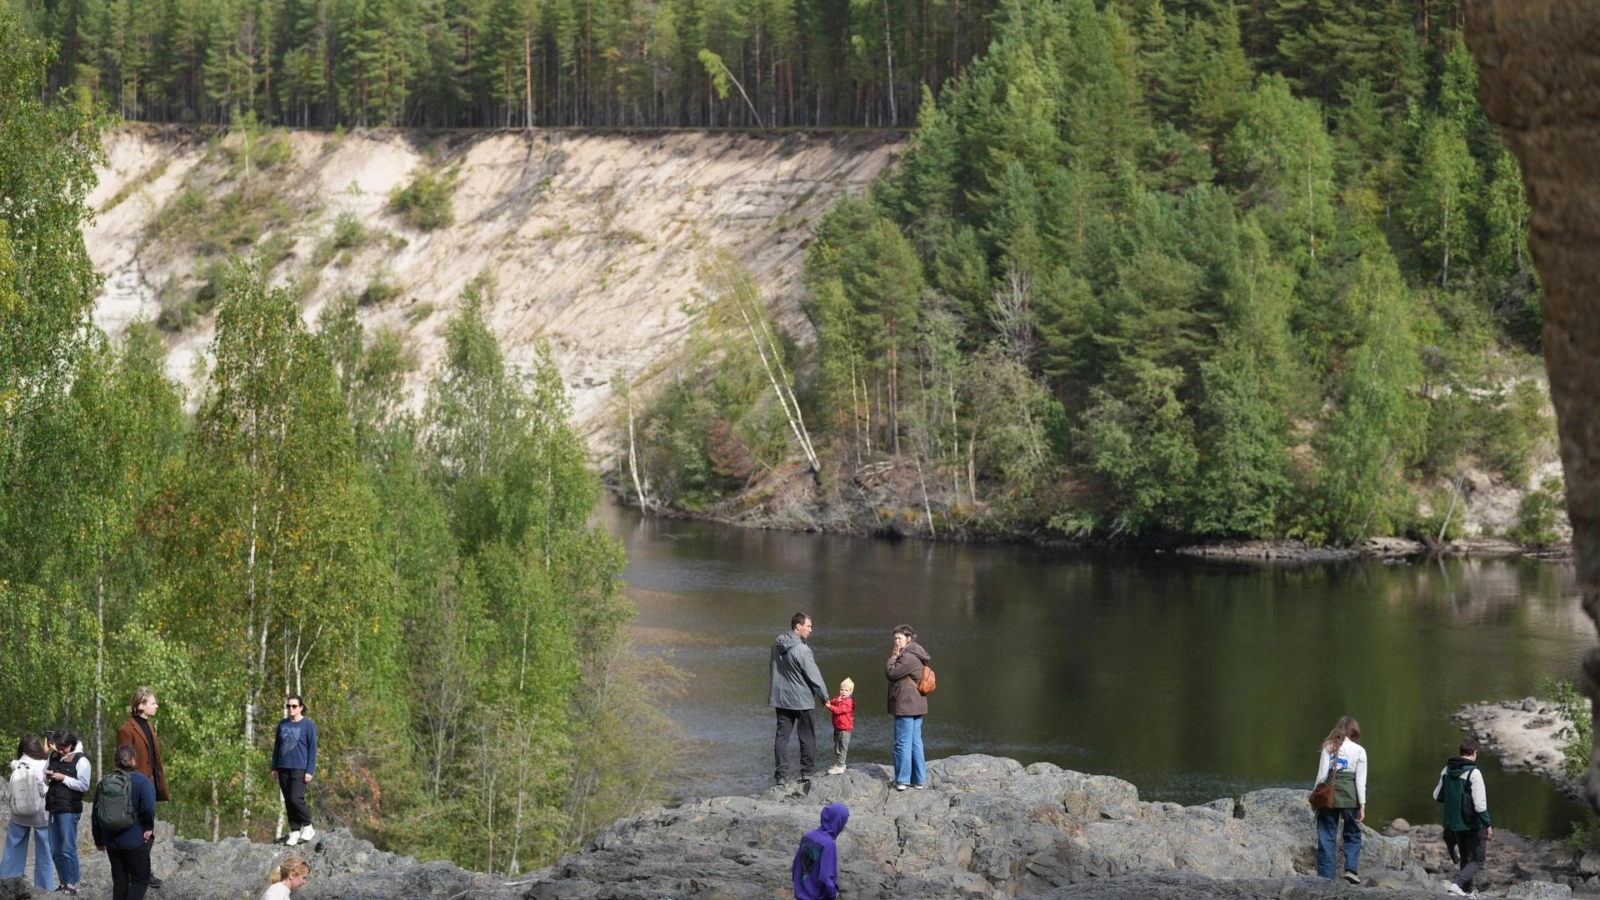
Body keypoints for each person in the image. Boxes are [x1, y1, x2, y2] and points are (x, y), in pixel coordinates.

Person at [115, 687, 169, 889]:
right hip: (135, 787)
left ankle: (141, 871)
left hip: (150, 785)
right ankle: (140, 873)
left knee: (147, 830)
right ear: (141, 705)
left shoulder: (149, 726)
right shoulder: (126, 730)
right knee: (141, 831)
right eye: (153, 703)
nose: (156, 705)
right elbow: (122, 762)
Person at [769, 612, 829, 786]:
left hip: (781, 699)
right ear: (798, 626)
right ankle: (807, 773)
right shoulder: (803, 650)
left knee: (781, 737)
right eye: (808, 626)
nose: (811, 630)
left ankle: (780, 776)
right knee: (807, 737)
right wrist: (824, 696)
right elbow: (814, 676)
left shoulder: (776, 644)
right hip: (802, 700)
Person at [93, 744, 157, 900]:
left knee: (120, 882)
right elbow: (148, 808)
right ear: (134, 761)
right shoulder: (142, 781)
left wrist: (99, 840)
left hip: (111, 841)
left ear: (116, 762)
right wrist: (148, 827)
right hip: (134, 839)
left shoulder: (104, 782)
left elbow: (96, 813)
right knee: (140, 881)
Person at [1312, 715, 1368, 884]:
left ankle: (1326, 877)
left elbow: (1322, 776)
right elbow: (1360, 781)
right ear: (1354, 731)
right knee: (1352, 834)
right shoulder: (1359, 750)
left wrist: (1316, 798)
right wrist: (1362, 805)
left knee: (1327, 835)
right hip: (1351, 797)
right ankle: (1350, 869)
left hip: (1329, 797)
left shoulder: (1328, 747)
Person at [1434, 737, 1492, 897]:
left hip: (1454, 823)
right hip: (1473, 823)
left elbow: (1436, 795)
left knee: (1466, 856)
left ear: (1461, 753)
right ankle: (1457, 884)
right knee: (1478, 860)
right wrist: (1488, 824)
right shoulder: (1474, 773)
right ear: (1474, 753)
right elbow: (1480, 804)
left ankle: (1466, 891)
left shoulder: (1447, 770)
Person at [1, 733, 56, 891]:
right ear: (37, 746)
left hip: (19, 813)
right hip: (40, 814)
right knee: (45, 853)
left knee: (13, 848)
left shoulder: (16, 764)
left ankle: (6, 883)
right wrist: (47, 753)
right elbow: (45, 785)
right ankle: (45, 887)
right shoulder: (43, 764)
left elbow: (23, 763)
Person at [884, 624, 931, 791]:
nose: (896, 642)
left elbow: (891, 673)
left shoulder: (908, 656)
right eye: (895, 639)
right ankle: (918, 779)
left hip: (906, 705)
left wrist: (892, 657)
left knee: (903, 742)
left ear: (908, 639)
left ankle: (902, 780)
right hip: (917, 703)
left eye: (900, 638)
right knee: (915, 741)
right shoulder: (916, 653)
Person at [46, 728, 91, 896]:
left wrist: (63, 778)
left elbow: (84, 785)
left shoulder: (82, 760)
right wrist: (49, 776)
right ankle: (63, 882)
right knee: (55, 849)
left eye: (63, 747)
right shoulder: (54, 756)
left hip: (70, 808)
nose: (60, 750)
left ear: (71, 744)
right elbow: (45, 778)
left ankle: (71, 883)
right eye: (58, 746)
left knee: (67, 847)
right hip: (53, 807)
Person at [269, 695, 318, 846]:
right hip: (283, 767)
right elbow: (277, 747)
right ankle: (295, 831)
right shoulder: (282, 724)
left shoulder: (308, 725)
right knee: (288, 801)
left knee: (296, 798)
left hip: (300, 768)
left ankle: (308, 826)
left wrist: (310, 770)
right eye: (288, 706)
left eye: (294, 706)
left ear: (301, 707)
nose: (291, 708)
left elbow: (312, 749)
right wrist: (274, 767)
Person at [790, 802, 848, 900]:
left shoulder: (807, 836)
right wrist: (832, 895)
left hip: (800, 895)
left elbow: (796, 866)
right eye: (844, 820)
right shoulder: (828, 844)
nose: (845, 824)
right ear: (837, 821)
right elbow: (826, 877)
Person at [824, 678, 855, 776]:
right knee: (837, 746)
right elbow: (833, 701)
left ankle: (840, 766)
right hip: (838, 727)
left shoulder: (849, 702)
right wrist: (835, 700)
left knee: (842, 747)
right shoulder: (840, 698)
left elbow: (839, 710)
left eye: (846, 690)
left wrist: (830, 707)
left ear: (850, 692)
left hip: (844, 729)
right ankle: (839, 763)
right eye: (842, 689)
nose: (843, 692)